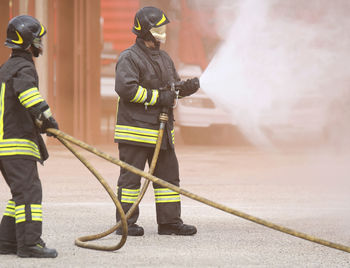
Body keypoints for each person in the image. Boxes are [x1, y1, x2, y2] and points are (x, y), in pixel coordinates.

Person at [114, 6, 200, 236]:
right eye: (157, 28)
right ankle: (126, 223)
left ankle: (170, 222)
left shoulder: (163, 58)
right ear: (144, 30)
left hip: (161, 133)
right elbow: (127, 89)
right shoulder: (129, 58)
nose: (162, 32)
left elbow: (170, 90)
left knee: (169, 179)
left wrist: (185, 89)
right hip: (135, 131)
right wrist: (159, 97)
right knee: (131, 181)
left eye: (162, 28)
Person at [0, 15, 59, 258]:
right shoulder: (24, 67)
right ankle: (30, 244)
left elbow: (15, 104)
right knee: (30, 193)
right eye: (37, 39)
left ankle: (6, 241)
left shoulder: (6, 68)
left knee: (21, 192)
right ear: (28, 42)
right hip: (16, 142)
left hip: (6, 143)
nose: (40, 44)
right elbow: (27, 95)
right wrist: (47, 119)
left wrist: (38, 121)